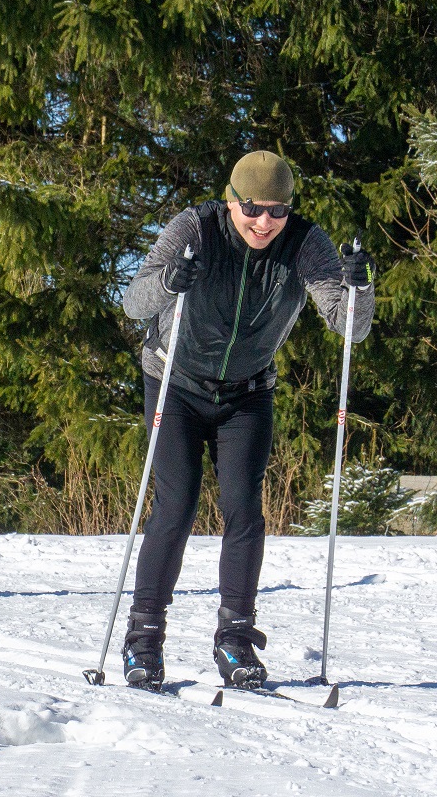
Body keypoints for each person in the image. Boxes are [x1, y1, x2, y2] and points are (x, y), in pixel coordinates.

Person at [119, 150, 375, 690]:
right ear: (232, 201)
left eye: (277, 211)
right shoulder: (195, 228)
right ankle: (144, 639)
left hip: (248, 391)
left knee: (244, 511)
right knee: (176, 506)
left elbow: (350, 326)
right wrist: (170, 280)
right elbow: (134, 303)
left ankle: (235, 639)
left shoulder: (305, 243)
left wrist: (360, 286)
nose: (264, 222)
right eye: (253, 209)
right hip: (175, 381)